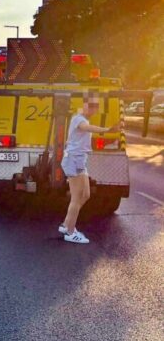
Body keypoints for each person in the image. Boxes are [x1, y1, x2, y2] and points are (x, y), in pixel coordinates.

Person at [59, 94, 119, 244]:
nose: (93, 109)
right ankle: (70, 232)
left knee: (86, 194)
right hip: (73, 160)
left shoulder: (83, 118)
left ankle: (66, 224)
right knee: (76, 197)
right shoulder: (79, 119)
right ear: (84, 105)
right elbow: (86, 128)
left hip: (80, 161)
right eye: (90, 105)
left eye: (95, 106)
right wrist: (107, 129)